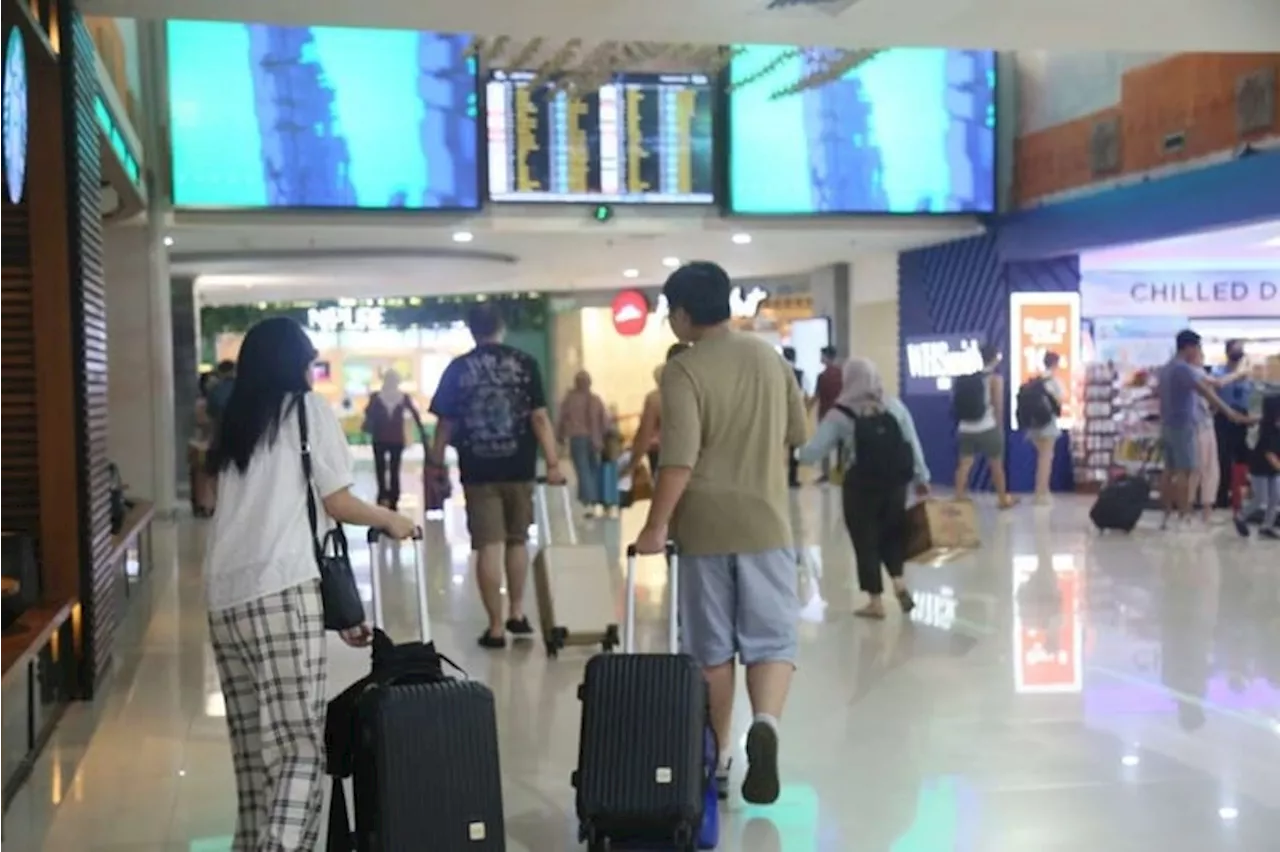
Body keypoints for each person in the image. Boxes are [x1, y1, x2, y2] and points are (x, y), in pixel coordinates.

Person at [202, 317, 414, 851]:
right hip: (280, 592)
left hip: (226, 599)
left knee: (254, 756)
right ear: (293, 363)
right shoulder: (306, 411)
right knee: (299, 748)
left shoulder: (237, 423)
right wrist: (390, 518)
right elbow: (336, 501)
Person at [633, 261, 806, 807]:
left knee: (711, 650)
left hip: (704, 527)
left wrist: (655, 525)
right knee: (772, 639)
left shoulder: (682, 371)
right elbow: (799, 432)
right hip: (767, 521)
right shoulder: (768, 357)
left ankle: (720, 756)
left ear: (684, 313)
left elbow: (678, 458)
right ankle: (769, 726)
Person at [428, 304, 564, 649]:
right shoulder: (525, 363)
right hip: (519, 468)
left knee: (489, 545)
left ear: (472, 330)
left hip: (479, 470)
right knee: (517, 541)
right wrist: (552, 461)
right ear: (501, 327)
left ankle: (495, 627)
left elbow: (445, 424)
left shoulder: (458, 369)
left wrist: (435, 463)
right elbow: (539, 419)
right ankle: (516, 613)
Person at [797, 357, 930, 618]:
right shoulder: (893, 406)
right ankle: (899, 583)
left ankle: (875, 601)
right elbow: (912, 443)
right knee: (892, 533)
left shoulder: (841, 413)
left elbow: (812, 453)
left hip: (860, 485)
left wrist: (793, 450)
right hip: (894, 483)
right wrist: (921, 476)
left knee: (865, 540)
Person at [1158, 330, 1250, 530]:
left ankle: (1166, 516)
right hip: (1184, 425)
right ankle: (1184, 517)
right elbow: (1206, 391)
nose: (1199, 352)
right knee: (1187, 471)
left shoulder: (1165, 369)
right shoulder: (1184, 369)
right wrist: (1229, 412)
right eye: (1198, 347)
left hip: (1167, 424)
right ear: (1189, 347)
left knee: (1169, 470)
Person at [954, 344, 1015, 508]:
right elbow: (998, 405)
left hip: (965, 427)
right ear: (995, 358)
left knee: (965, 463)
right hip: (987, 427)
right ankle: (1003, 499)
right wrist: (1000, 428)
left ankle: (959, 496)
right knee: (996, 464)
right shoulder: (995, 379)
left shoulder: (971, 378)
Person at [362, 369, 424, 511]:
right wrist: (422, 433)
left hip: (379, 438)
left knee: (380, 467)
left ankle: (383, 493)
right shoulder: (403, 397)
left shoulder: (376, 397)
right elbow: (415, 415)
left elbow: (368, 412)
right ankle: (394, 495)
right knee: (395, 468)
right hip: (396, 439)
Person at [629, 342, 691, 480]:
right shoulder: (708, 393)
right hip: (702, 465)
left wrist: (630, 466)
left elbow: (644, 437)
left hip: (668, 461)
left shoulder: (656, 399)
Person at [557, 370, 608, 517]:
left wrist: (559, 435)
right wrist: (603, 436)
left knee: (583, 469)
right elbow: (604, 421)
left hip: (577, 438)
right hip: (595, 439)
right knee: (593, 469)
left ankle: (588, 500)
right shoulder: (595, 399)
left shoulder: (570, 400)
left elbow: (562, 419)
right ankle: (594, 497)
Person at [1213, 339, 1253, 508]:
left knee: (1241, 457)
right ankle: (1221, 496)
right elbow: (1216, 387)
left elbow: (1248, 397)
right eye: (1236, 349)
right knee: (1223, 457)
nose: (1239, 353)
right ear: (1227, 352)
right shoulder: (1218, 371)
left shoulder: (1247, 376)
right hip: (1223, 416)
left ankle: (1238, 495)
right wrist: (1238, 374)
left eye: (1241, 350)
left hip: (1242, 418)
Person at [1233, 397, 1280, 539]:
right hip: (1260, 468)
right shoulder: (1267, 430)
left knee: (1275, 497)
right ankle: (1241, 516)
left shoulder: (1275, 426)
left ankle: (1267, 526)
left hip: (1274, 469)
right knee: (1260, 499)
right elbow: (1269, 454)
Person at [1022, 351, 1065, 505]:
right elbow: (1059, 402)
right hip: (1048, 425)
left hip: (1033, 425)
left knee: (1041, 458)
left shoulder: (1035, 381)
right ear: (1056, 364)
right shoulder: (1054, 382)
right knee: (1046, 460)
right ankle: (1041, 493)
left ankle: (1040, 491)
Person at [1188, 360, 1220, 524]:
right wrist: (1241, 372)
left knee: (1201, 470)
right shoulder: (1194, 372)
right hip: (1200, 427)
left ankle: (1194, 509)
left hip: (1201, 425)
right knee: (1204, 469)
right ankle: (1200, 510)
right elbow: (1218, 383)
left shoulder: (1191, 372)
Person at [813, 346, 844, 482]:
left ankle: (825, 474)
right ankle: (841, 471)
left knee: (824, 445)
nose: (820, 358)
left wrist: (806, 409)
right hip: (841, 414)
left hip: (825, 414)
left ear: (826, 357)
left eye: (822, 355)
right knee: (841, 445)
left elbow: (817, 396)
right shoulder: (842, 374)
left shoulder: (822, 376)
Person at [190, 371, 217, 518]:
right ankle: (203, 505)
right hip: (202, 442)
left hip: (207, 442)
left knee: (208, 475)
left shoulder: (210, 401)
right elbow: (202, 422)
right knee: (202, 475)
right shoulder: (202, 402)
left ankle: (208, 505)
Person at [783, 347, 804, 488]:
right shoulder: (799, 373)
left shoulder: (778, 371)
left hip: (779, 413)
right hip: (793, 413)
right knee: (794, 448)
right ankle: (793, 477)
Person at [205, 359, 237, 424]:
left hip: (223, 425)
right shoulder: (244, 386)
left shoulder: (215, 389)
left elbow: (210, 412)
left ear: (220, 373)